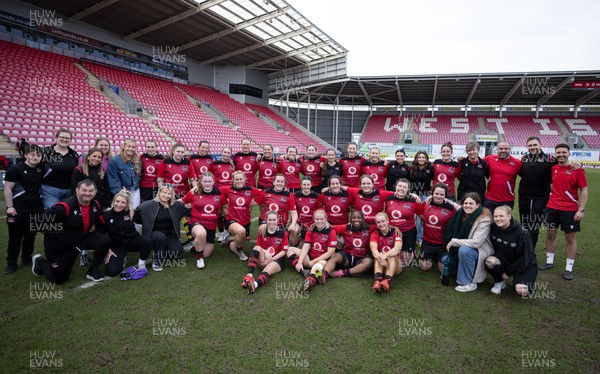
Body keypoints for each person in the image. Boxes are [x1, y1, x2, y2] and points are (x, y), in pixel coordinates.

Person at [31, 180, 111, 283]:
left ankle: (93, 271)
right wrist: (56, 233)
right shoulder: (64, 207)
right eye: (84, 190)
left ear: (95, 192)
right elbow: (37, 222)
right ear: (77, 190)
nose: (87, 193)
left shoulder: (96, 205)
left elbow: (103, 217)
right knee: (59, 279)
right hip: (60, 246)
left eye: (90, 191)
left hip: (81, 239)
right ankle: (39, 262)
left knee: (105, 240)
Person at [539, 144, 587, 280]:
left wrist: (581, 210)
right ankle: (549, 262)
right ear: (555, 154)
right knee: (550, 234)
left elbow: (584, 190)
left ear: (569, 153)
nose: (561, 155)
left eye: (563, 152)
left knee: (570, 238)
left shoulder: (577, 170)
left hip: (570, 210)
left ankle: (568, 268)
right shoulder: (553, 168)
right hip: (552, 207)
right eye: (558, 153)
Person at [4, 144, 44, 274]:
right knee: (15, 236)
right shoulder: (16, 169)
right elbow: (8, 189)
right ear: (26, 155)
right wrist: (10, 206)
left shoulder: (40, 169)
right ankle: (11, 263)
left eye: (38, 155)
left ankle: (26, 259)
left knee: (31, 235)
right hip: (19, 208)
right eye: (32, 154)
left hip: (35, 207)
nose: (35, 157)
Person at [444, 192, 493, 292]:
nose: (468, 206)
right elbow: (454, 204)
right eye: (465, 203)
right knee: (444, 260)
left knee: (464, 250)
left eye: (471, 204)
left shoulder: (484, 219)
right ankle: (463, 271)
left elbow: (476, 243)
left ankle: (468, 282)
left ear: (478, 205)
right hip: (467, 247)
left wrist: (454, 241)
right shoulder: (461, 213)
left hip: (480, 251)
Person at [96, 190, 152, 277]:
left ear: (126, 204)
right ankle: (122, 257)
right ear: (113, 201)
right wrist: (107, 250)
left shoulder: (131, 213)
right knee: (112, 272)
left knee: (147, 239)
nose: (119, 204)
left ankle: (141, 263)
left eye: (123, 202)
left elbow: (145, 220)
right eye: (117, 201)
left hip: (132, 241)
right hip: (117, 245)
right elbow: (100, 236)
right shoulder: (105, 215)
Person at [134, 185, 189, 271]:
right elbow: (136, 215)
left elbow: (190, 209)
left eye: (169, 193)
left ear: (172, 195)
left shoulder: (176, 206)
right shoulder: (147, 205)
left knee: (176, 251)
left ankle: (161, 250)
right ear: (159, 192)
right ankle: (157, 260)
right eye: (164, 192)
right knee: (160, 237)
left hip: (169, 233)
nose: (166, 195)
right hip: (154, 233)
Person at [486, 206, 538, 296]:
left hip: (524, 264)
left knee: (521, 291)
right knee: (489, 262)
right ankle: (499, 282)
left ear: (509, 216)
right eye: (496, 216)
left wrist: (508, 272)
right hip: (505, 260)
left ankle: (521, 282)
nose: (498, 219)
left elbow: (525, 257)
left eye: (501, 216)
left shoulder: (522, 233)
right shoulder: (493, 227)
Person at [180, 172, 227, 269]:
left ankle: (193, 246)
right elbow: (182, 201)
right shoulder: (194, 191)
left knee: (206, 254)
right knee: (201, 234)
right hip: (196, 222)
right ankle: (199, 259)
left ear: (213, 181)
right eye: (205, 181)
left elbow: (226, 206)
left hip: (211, 225)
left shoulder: (219, 193)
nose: (207, 183)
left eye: (209, 181)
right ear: (200, 181)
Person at [518, 136, 556, 249]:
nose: (532, 147)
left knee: (534, 225)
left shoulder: (550, 159)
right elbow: (522, 174)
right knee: (524, 225)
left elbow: (563, 167)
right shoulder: (524, 158)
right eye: (530, 145)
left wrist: (577, 164)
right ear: (527, 147)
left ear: (540, 145)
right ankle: (524, 250)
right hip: (524, 196)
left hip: (540, 197)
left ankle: (530, 251)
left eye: (535, 145)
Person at [288, 209, 337, 293]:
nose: (319, 221)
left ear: (325, 219)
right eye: (317, 219)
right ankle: (303, 271)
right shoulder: (311, 230)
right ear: (314, 219)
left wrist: (314, 261)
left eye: (321, 219)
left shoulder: (331, 232)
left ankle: (309, 283)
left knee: (317, 268)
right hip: (310, 258)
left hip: (322, 260)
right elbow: (306, 247)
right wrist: (299, 262)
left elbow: (330, 252)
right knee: (290, 249)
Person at [220, 171, 264, 261]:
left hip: (245, 222)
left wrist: (253, 203)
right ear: (233, 180)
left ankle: (229, 239)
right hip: (231, 220)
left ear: (244, 180)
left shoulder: (250, 189)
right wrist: (225, 203)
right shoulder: (228, 189)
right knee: (241, 232)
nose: (239, 181)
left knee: (236, 245)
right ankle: (239, 251)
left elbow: (262, 194)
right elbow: (217, 191)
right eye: (236, 179)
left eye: (241, 179)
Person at [241, 210, 288, 294]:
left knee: (267, 271)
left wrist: (272, 259)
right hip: (263, 259)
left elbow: (283, 252)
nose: (272, 222)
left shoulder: (283, 233)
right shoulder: (262, 231)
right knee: (257, 248)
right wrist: (266, 252)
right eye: (269, 220)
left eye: (274, 220)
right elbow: (258, 247)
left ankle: (254, 285)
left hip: (276, 260)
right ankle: (249, 276)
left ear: (278, 220)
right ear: (266, 220)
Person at [418, 183, 458, 273]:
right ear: (432, 193)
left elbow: (456, 222)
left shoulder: (451, 208)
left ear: (445, 196)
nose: (438, 196)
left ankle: (438, 258)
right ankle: (430, 257)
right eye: (436, 193)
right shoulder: (426, 203)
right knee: (424, 267)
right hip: (427, 242)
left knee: (443, 270)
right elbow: (419, 212)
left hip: (442, 243)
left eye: (441, 194)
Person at [325, 210, 374, 280]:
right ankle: (324, 274)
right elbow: (330, 227)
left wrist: (394, 228)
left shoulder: (369, 228)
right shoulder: (346, 227)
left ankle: (344, 273)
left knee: (369, 263)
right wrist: (317, 224)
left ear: (363, 219)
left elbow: (381, 226)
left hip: (362, 257)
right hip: (348, 256)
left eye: (359, 218)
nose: (356, 220)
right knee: (334, 256)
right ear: (351, 219)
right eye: (354, 218)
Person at [385, 178, 422, 266]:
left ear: (408, 190)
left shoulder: (413, 200)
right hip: (392, 231)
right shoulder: (388, 198)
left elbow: (422, 215)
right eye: (399, 186)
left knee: (405, 263)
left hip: (408, 233)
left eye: (404, 187)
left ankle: (408, 250)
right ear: (395, 187)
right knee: (391, 256)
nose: (401, 189)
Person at [41, 128, 79, 209]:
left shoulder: (74, 154)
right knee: (53, 213)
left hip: (69, 191)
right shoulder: (45, 152)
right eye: (62, 137)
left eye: (67, 138)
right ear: (56, 138)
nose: (64, 140)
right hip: (50, 190)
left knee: (67, 214)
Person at [483, 141, 522, 212]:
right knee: (487, 222)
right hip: (489, 199)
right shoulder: (489, 159)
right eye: (501, 149)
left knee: (504, 222)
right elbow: (476, 163)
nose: (503, 150)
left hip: (507, 200)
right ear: (497, 150)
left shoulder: (517, 163)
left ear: (510, 149)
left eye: (506, 148)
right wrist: (462, 160)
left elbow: (526, 176)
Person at [370, 212, 403, 293]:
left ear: (388, 221)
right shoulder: (375, 234)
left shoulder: (395, 232)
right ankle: (377, 281)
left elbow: (397, 248)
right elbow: (373, 249)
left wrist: (385, 255)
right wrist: (381, 258)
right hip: (382, 264)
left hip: (395, 266)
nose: (381, 224)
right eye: (378, 222)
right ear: (376, 224)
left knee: (391, 255)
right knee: (378, 254)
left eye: (383, 221)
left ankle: (386, 281)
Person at [107, 138, 141, 208]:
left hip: (135, 190)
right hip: (122, 191)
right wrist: (119, 195)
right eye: (128, 146)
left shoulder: (137, 160)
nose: (130, 149)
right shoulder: (115, 161)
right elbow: (113, 180)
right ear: (123, 147)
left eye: (133, 147)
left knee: (135, 210)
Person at [410, 151, 434, 245]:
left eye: (423, 157)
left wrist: (431, 194)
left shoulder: (430, 169)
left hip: (425, 195)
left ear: (426, 159)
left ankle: (420, 238)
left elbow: (435, 180)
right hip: (414, 195)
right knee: (414, 217)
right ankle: (413, 237)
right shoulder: (412, 168)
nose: (421, 159)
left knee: (424, 217)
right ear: (416, 158)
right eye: (419, 157)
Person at [212, 146, 235, 241]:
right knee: (218, 212)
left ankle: (226, 231)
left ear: (230, 154)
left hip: (228, 191)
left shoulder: (232, 165)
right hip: (218, 191)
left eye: (228, 152)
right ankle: (221, 232)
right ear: (222, 152)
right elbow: (211, 175)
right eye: (225, 152)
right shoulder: (215, 164)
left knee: (227, 212)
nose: (226, 154)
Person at [292, 176, 321, 246]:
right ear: (301, 185)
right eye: (304, 185)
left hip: (312, 223)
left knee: (304, 245)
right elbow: (292, 210)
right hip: (300, 222)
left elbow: (320, 211)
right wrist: (292, 223)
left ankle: (304, 241)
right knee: (294, 230)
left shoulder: (316, 196)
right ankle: (293, 246)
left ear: (311, 185)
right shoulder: (295, 195)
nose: (306, 187)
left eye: (308, 185)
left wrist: (315, 223)